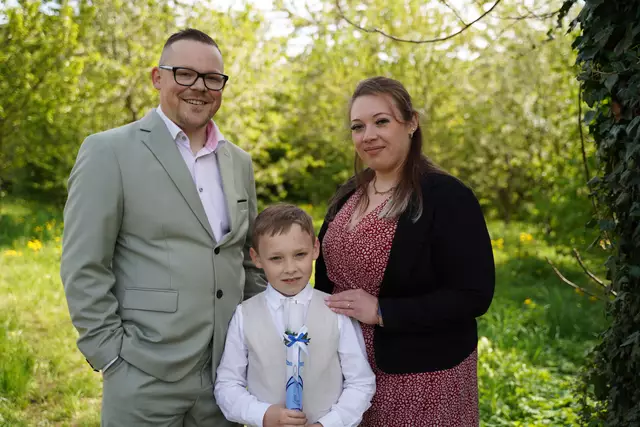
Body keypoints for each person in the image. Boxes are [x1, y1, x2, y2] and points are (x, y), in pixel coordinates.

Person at [60, 28, 265, 426]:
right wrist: (109, 354)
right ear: (158, 77)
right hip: (142, 373)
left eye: (212, 78)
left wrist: (258, 342)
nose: (199, 87)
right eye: (184, 74)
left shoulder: (239, 162)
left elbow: (248, 259)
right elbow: (84, 264)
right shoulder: (108, 151)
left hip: (227, 376)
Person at [314, 76, 495, 426]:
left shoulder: (446, 196)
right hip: (345, 374)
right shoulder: (349, 192)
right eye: (358, 126)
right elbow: (325, 281)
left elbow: (473, 295)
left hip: (420, 379)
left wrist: (382, 311)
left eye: (381, 121)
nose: (368, 135)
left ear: (411, 123)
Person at [214, 204, 375, 427]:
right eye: (276, 258)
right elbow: (227, 385)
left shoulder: (336, 312)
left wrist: (329, 423)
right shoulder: (245, 315)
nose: (290, 268)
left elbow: (360, 383)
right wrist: (263, 414)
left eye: (300, 255)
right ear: (256, 258)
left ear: (315, 249)